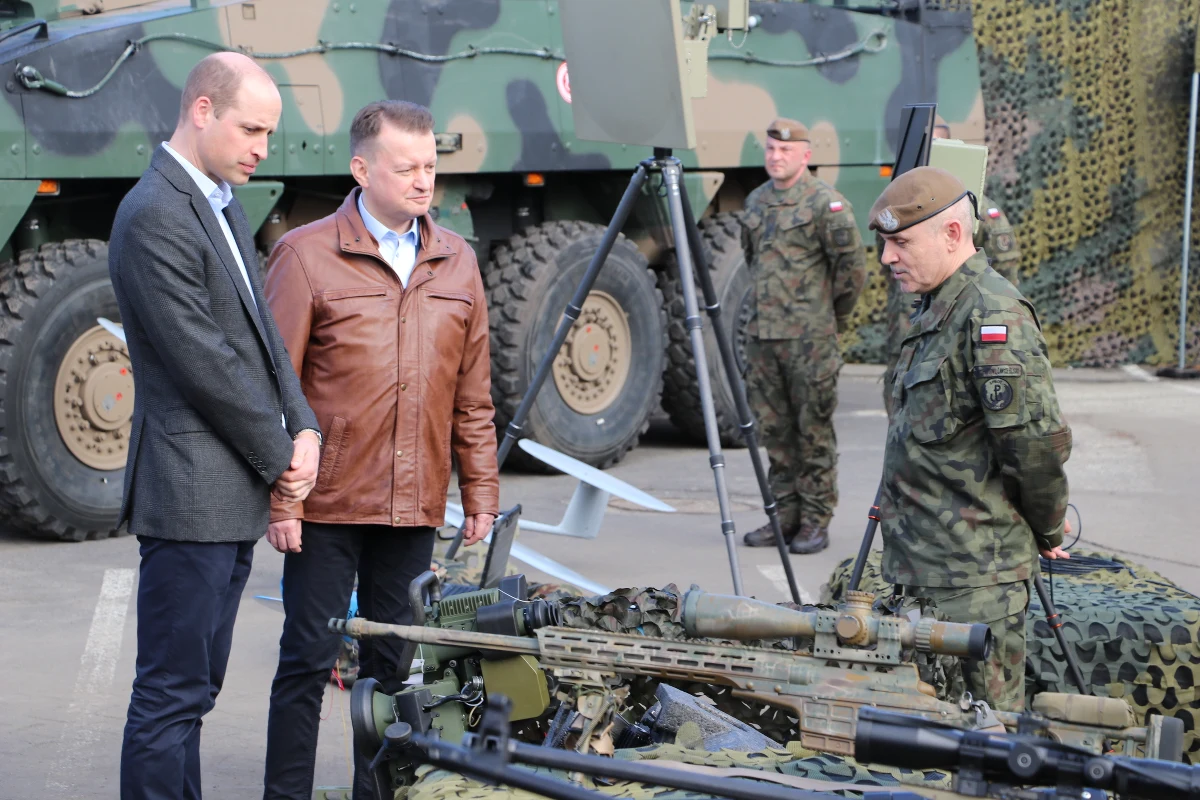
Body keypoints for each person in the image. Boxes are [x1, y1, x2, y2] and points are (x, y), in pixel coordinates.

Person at [261, 99, 500, 800]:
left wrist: (480, 491)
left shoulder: (458, 263)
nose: (423, 180)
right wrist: (284, 500)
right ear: (362, 169)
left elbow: (473, 395)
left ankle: (377, 794)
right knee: (306, 663)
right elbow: (277, 390)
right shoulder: (306, 256)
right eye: (407, 167)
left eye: (430, 166)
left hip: (414, 505)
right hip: (326, 505)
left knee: (393, 672)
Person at [109, 52, 321, 800]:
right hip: (191, 499)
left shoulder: (220, 201)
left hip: (226, 497)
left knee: (194, 695)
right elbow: (206, 363)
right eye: (251, 128)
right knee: (170, 697)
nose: (263, 147)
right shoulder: (154, 214)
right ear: (203, 111)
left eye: (269, 131)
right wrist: (282, 460)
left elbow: (261, 338)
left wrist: (305, 427)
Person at [870, 166, 1072, 712]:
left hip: (975, 585)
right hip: (925, 575)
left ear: (953, 235)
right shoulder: (937, 306)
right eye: (886, 243)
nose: (888, 257)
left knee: (985, 743)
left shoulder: (992, 314)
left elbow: (1033, 445)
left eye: (901, 243)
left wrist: (1049, 523)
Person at [739, 117, 867, 554]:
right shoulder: (756, 201)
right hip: (763, 339)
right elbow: (752, 260)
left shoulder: (825, 205)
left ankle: (815, 520)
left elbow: (852, 272)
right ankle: (783, 516)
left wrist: (830, 321)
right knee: (774, 434)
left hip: (810, 341)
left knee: (812, 432)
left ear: (806, 156)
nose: (776, 157)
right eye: (771, 149)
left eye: (786, 151)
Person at [881, 119, 1021, 416]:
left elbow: (1004, 282)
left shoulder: (979, 211)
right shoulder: (898, 211)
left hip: (955, 341)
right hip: (907, 332)